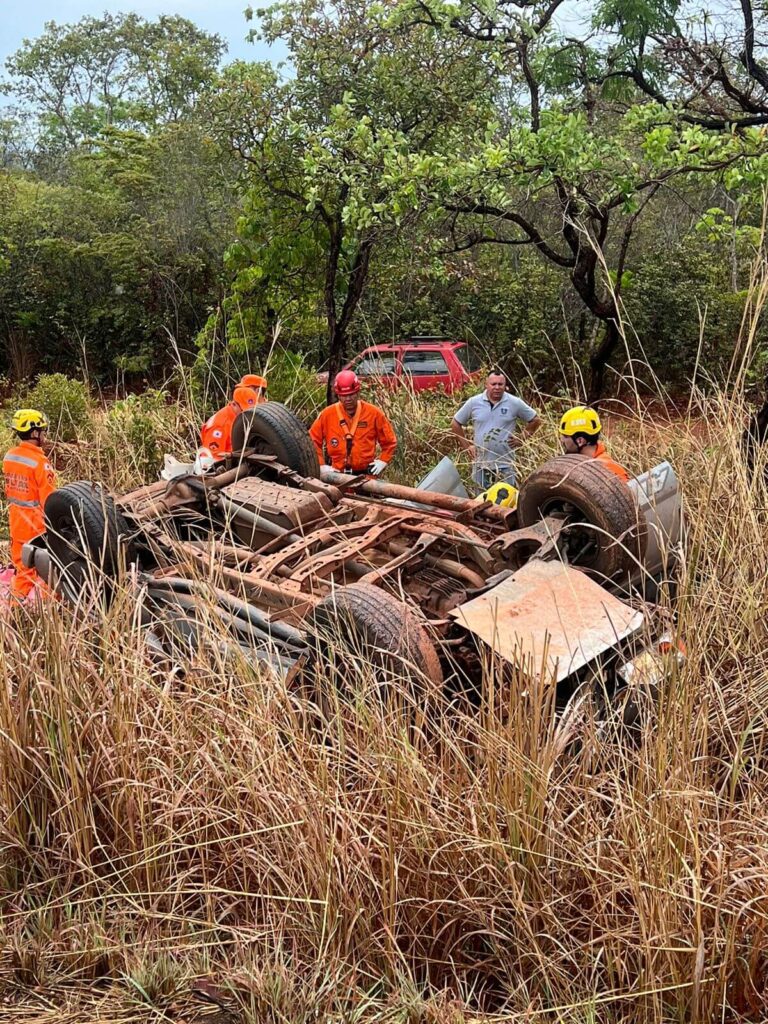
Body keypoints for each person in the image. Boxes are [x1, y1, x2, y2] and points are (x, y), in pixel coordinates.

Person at [451, 370, 541, 490]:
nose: (497, 387)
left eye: (500, 384)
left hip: (506, 464)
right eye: (493, 384)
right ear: (486, 385)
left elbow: (535, 420)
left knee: (505, 499)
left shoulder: (514, 403)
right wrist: (467, 447)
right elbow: (455, 423)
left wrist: (522, 438)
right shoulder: (474, 402)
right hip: (480, 464)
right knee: (480, 498)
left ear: (505, 385)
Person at [3, 409, 57, 599]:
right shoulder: (40, 463)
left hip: (16, 524)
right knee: (49, 575)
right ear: (34, 433)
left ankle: (16, 609)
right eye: (42, 431)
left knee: (22, 572)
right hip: (36, 529)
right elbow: (49, 501)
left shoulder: (10, 456)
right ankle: (49, 611)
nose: (44, 435)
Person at [309, 370, 397, 475]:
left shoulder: (373, 413)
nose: (348, 399)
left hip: (366, 477)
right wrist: (321, 465)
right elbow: (312, 440)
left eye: (351, 394)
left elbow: (390, 441)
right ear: (338, 395)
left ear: (358, 392)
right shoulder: (327, 415)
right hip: (338, 476)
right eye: (344, 395)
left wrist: (383, 460)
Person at [558, 406, 630, 482]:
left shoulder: (609, 471)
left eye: (565, 436)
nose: (562, 440)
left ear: (580, 441)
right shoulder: (583, 464)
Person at [200, 385, 260, 458]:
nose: (248, 414)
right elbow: (213, 457)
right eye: (244, 410)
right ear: (234, 404)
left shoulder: (239, 417)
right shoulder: (220, 426)